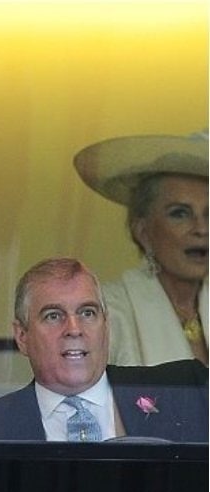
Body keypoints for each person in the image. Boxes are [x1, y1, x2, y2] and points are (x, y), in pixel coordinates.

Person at [0, 258, 208, 442]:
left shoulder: (187, 391)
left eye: (87, 313)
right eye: (53, 316)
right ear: (22, 336)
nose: (74, 329)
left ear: (106, 326)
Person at [73, 131, 208, 366]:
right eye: (180, 214)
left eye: (209, 214)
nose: (201, 229)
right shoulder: (107, 313)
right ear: (143, 232)